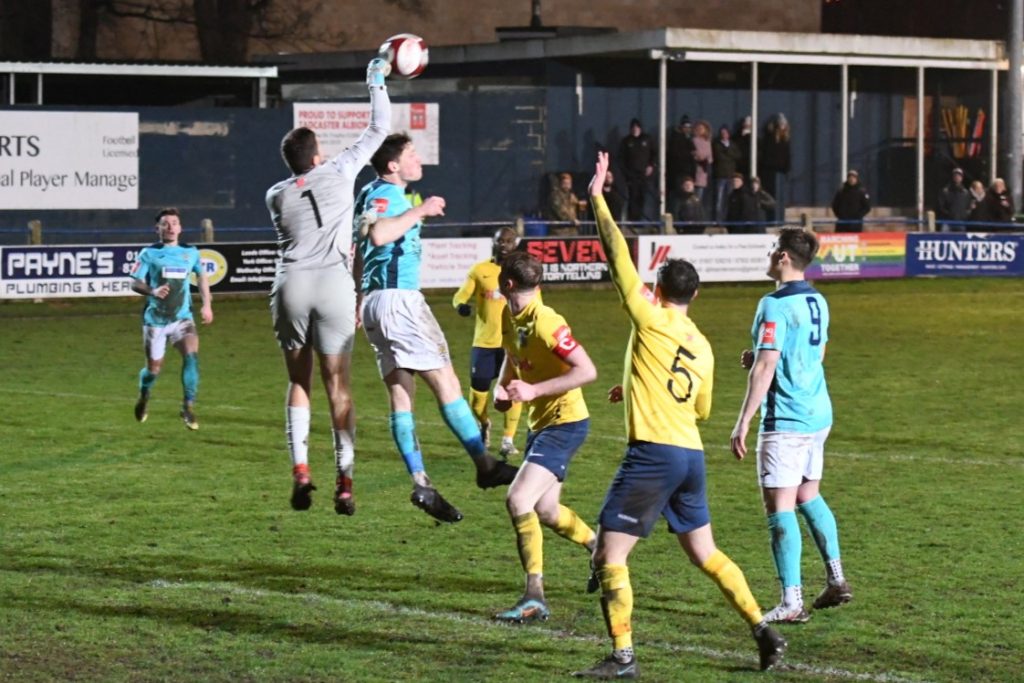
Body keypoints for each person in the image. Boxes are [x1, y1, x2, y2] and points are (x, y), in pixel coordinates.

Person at [572, 150, 787, 678]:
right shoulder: (705, 346)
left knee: (609, 556)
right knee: (707, 554)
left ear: (660, 290)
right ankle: (764, 629)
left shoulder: (649, 317)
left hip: (653, 456)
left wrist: (598, 195)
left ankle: (623, 658)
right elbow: (703, 408)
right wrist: (638, 387)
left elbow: (617, 255)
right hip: (690, 456)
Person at [354, 133, 518, 524]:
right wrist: (420, 210)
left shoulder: (370, 194)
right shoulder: (386, 196)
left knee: (401, 396)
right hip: (399, 301)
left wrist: (361, 298)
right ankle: (485, 465)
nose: (417, 158)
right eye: (410, 154)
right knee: (446, 384)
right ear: (393, 165)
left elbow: (357, 247)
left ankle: (422, 482)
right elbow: (377, 235)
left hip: (378, 302)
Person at [264, 58, 391, 515]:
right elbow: (380, 127)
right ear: (317, 156)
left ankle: (300, 469)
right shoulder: (339, 171)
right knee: (338, 386)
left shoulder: (275, 195)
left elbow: (298, 197)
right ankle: (345, 481)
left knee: (299, 381)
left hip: (291, 285)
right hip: (335, 286)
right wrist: (374, 78)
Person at [729, 227, 852, 624]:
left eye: (771, 249)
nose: (768, 255)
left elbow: (766, 366)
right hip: (819, 413)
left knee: (778, 507)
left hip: (787, 418)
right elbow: (818, 351)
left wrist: (743, 421)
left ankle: (791, 601)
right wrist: (771, 358)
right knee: (807, 495)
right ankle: (836, 578)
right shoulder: (818, 299)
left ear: (783, 257)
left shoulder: (774, 304)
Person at [491, 250, 598, 623]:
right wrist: (503, 389)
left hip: (565, 423)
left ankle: (534, 595)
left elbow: (587, 370)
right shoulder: (511, 314)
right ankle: (599, 549)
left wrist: (534, 392)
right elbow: (511, 353)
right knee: (547, 510)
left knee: (518, 499)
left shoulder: (547, 322)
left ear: (507, 283)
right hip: (541, 424)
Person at [131, 208, 214, 431]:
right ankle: (144, 395)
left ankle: (188, 407)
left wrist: (207, 305)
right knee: (153, 370)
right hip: (155, 320)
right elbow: (134, 283)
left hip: (182, 318)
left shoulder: (191, 252)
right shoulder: (148, 253)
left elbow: (202, 278)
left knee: (192, 357)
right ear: (157, 228)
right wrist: (153, 291)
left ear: (180, 227)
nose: (170, 227)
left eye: (174, 223)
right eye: (165, 223)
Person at [452, 226, 524, 459]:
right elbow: (460, 295)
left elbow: (536, 304)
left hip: (511, 344)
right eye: (499, 241)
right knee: (476, 397)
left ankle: (508, 440)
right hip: (483, 342)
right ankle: (484, 422)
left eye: (508, 241)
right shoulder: (480, 270)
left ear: (516, 244)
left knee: (512, 391)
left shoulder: (523, 272)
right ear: (493, 243)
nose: (503, 245)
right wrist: (461, 306)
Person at [617, 118, 655, 222]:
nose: (635, 129)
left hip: (644, 175)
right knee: (632, 197)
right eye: (633, 127)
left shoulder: (647, 139)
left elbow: (654, 153)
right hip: (631, 175)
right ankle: (632, 220)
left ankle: (640, 220)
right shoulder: (626, 141)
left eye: (637, 127)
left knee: (642, 197)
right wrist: (627, 173)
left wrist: (651, 166)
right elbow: (621, 159)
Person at [759, 113, 791, 222]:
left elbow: (787, 156)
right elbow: (767, 155)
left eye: (784, 124)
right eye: (781, 124)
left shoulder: (785, 140)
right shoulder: (770, 138)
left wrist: (787, 168)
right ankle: (772, 219)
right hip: (771, 172)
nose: (782, 126)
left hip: (781, 172)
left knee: (781, 197)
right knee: (772, 197)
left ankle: (780, 219)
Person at [666, 116, 696, 212]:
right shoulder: (676, 139)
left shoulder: (689, 139)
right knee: (677, 197)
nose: (687, 129)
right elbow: (676, 155)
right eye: (685, 126)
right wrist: (689, 154)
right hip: (678, 173)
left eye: (689, 127)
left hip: (687, 173)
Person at [712, 124, 742, 221]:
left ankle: (729, 219)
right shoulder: (716, 144)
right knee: (719, 200)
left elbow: (738, 155)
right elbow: (719, 157)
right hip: (720, 175)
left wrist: (727, 152)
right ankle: (718, 220)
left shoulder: (733, 144)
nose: (724, 135)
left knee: (730, 199)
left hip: (730, 175)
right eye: (722, 133)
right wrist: (729, 154)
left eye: (726, 133)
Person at [545, 172, 587, 236]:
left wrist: (579, 204)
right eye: (565, 183)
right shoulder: (555, 196)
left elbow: (577, 209)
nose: (567, 185)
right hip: (559, 232)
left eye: (569, 183)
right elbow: (560, 211)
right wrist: (572, 220)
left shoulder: (572, 196)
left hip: (572, 231)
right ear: (561, 183)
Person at [937, 167, 971, 232]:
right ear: (952, 177)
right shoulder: (945, 191)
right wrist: (949, 214)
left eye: (959, 176)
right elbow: (940, 206)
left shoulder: (965, 192)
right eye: (955, 175)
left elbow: (968, 207)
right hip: (947, 222)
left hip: (961, 222)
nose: (957, 177)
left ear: (962, 178)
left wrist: (964, 215)